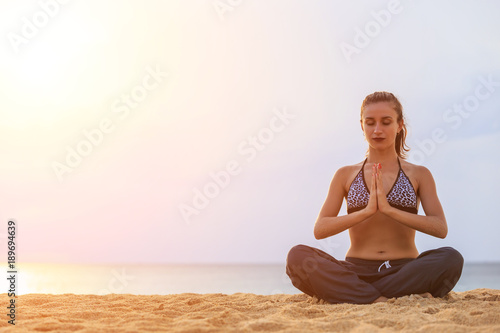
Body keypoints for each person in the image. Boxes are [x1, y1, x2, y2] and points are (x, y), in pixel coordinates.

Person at [285, 91, 464, 304]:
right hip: (355, 271)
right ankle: (385, 297)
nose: (377, 130)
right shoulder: (345, 174)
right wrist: (366, 212)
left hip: (403, 270)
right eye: (370, 123)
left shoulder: (419, 174)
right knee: (297, 257)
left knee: (451, 258)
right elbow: (321, 229)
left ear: (399, 125)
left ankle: (362, 295)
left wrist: (390, 210)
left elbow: (440, 228)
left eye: (386, 122)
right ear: (362, 125)